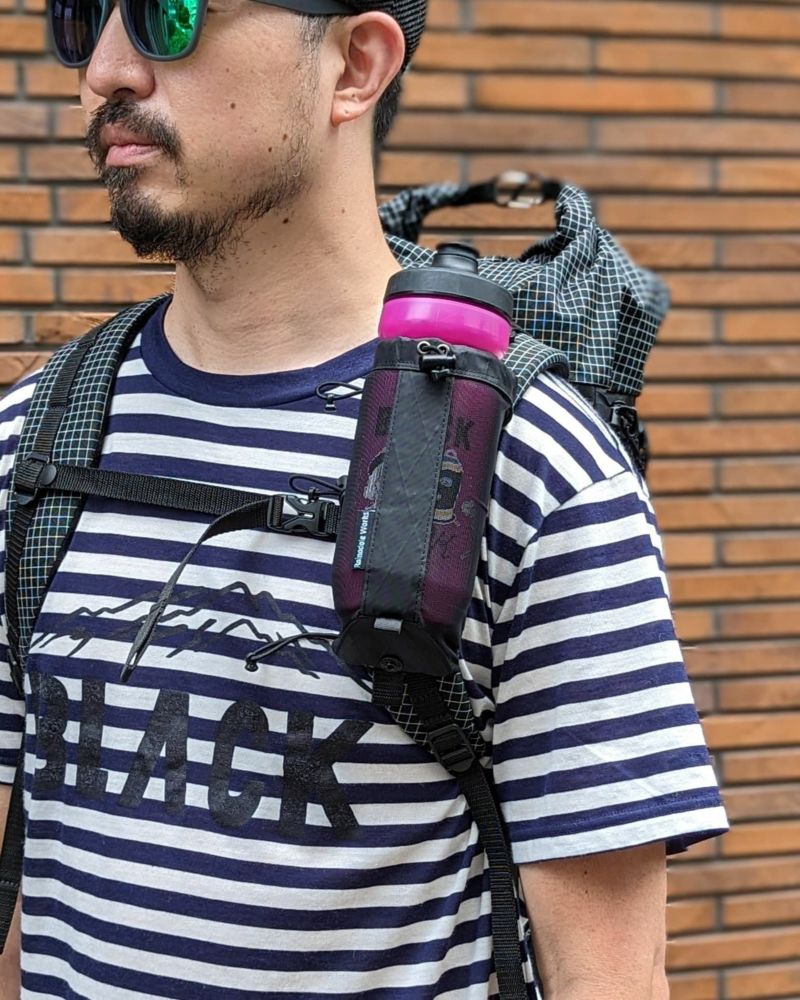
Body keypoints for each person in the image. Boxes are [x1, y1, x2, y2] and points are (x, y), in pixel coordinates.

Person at [0, 1, 728, 997]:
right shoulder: (32, 440)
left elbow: (609, 974)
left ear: (354, 65)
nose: (105, 71)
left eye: (170, 11)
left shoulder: (530, 459)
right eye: (84, 16)